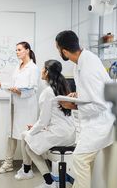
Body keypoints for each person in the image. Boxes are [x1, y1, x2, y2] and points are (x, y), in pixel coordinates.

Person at [55, 30, 114, 188]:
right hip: (93, 121)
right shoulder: (82, 61)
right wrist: (78, 94)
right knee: (85, 161)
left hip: (100, 121)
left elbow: (98, 104)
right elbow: (93, 91)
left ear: (64, 51)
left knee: (80, 159)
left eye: (57, 49)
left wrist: (72, 105)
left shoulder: (87, 67)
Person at [19, 60, 76, 188]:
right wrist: (38, 128)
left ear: (47, 72)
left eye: (43, 69)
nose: (41, 71)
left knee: (27, 142)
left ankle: (47, 181)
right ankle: (27, 170)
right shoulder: (64, 87)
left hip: (59, 134)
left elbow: (44, 120)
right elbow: (55, 117)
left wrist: (33, 130)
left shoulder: (47, 92)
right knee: (25, 137)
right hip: (68, 133)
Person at [0, 41, 39, 174]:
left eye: (19, 50)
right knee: (11, 135)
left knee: (25, 137)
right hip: (14, 105)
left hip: (26, 107)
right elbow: (13, 85)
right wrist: (1, 84)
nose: (17, 52)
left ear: (27, 50)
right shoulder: (18, 66)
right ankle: (8, 163)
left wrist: (19, 91)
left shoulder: (33, 68)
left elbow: (33, 89)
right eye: (16, 50)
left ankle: (26, 166)